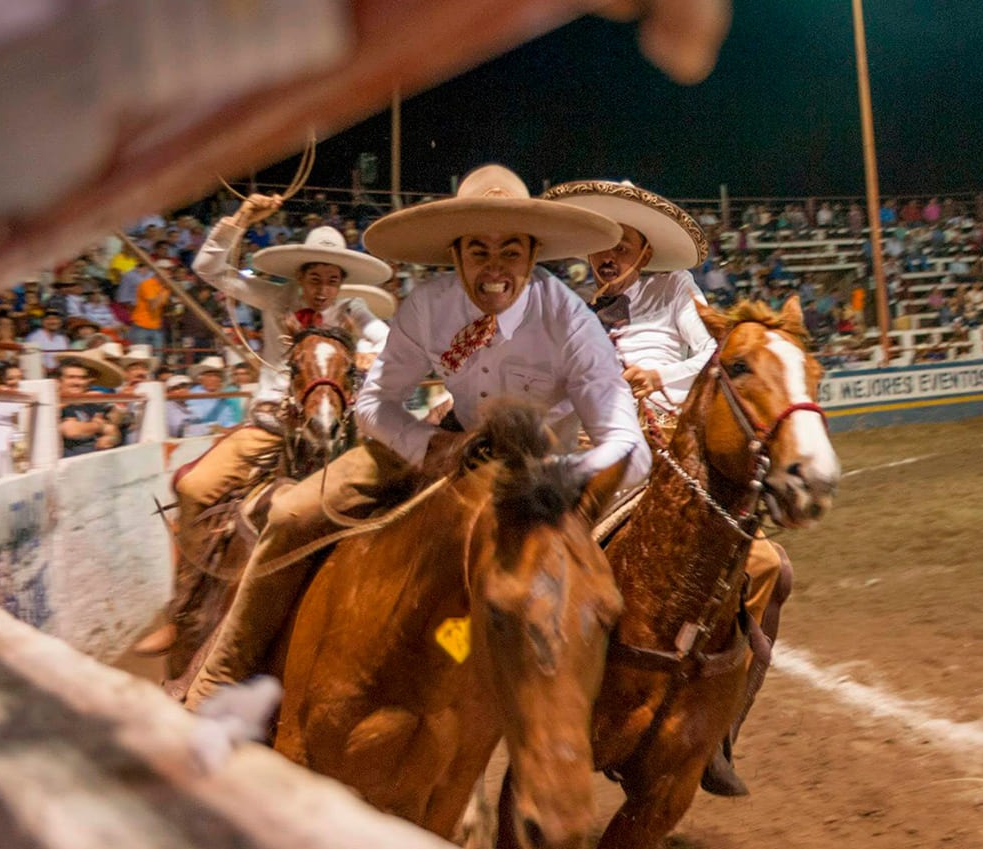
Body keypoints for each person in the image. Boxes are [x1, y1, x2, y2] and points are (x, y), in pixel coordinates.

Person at [184, 163, 649, 705]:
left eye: (511, 252)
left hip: (543, 463)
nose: (494, 267)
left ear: (534, 254)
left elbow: (626, 444)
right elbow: (376, 407)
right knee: (290, 514)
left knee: (592, 591)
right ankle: (222, 672)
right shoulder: (429, 307)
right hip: (447, 442)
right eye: (479, 250)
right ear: (455, 255)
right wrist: (434, 446)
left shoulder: (570, 321)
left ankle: (594, 720)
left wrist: (551, 477)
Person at [544, 179, 788, 797]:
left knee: (769, 570)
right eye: (601, 245)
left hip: (669, 464)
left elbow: (717, 357)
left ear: (644, 252)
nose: (608, 255)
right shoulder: (573, 311)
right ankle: (534, 708)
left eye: (621, 245)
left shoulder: (675, 291)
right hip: (597, 461)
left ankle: (719, 733)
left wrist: (660, 373)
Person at [132, 198, 397, 658]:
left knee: (398, 493)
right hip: (271, 425)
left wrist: (374, 354)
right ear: (300, 276)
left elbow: (383, 336)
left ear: (342, 282)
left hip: (338, 427)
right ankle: (183, 612)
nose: (323, 288)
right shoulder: (275, 297)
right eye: (315, 278)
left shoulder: (352, 308)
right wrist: (239, 221)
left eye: (332, 280)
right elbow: (211, 269)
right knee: (194, 488)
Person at [55, 352, 124, 457]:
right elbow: (71, 430)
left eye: (82, 378)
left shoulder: (90, 403)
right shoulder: (56, 404)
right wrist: (99, 426)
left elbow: (113, 430)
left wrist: (111, 439)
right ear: (59, 381)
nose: (78, 382)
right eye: (71, 377)